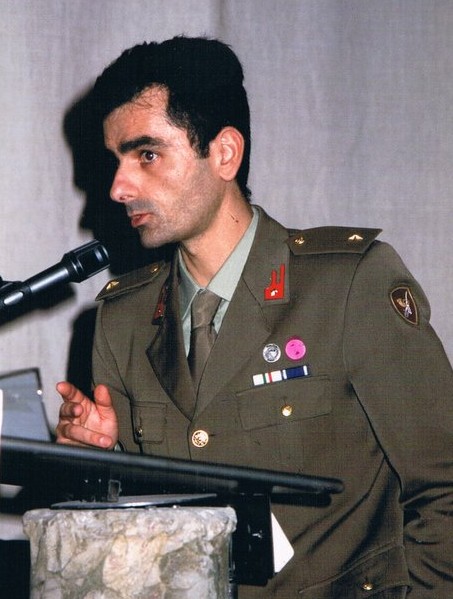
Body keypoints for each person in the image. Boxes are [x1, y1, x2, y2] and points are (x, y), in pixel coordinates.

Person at [56, 36, 453, 598]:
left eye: (146, 155)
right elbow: (135, 539)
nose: (119, 187)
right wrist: (97, 466)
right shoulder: (122, 319)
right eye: (115, 161)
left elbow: (444, 490)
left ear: (224, 153)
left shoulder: (347, 285)